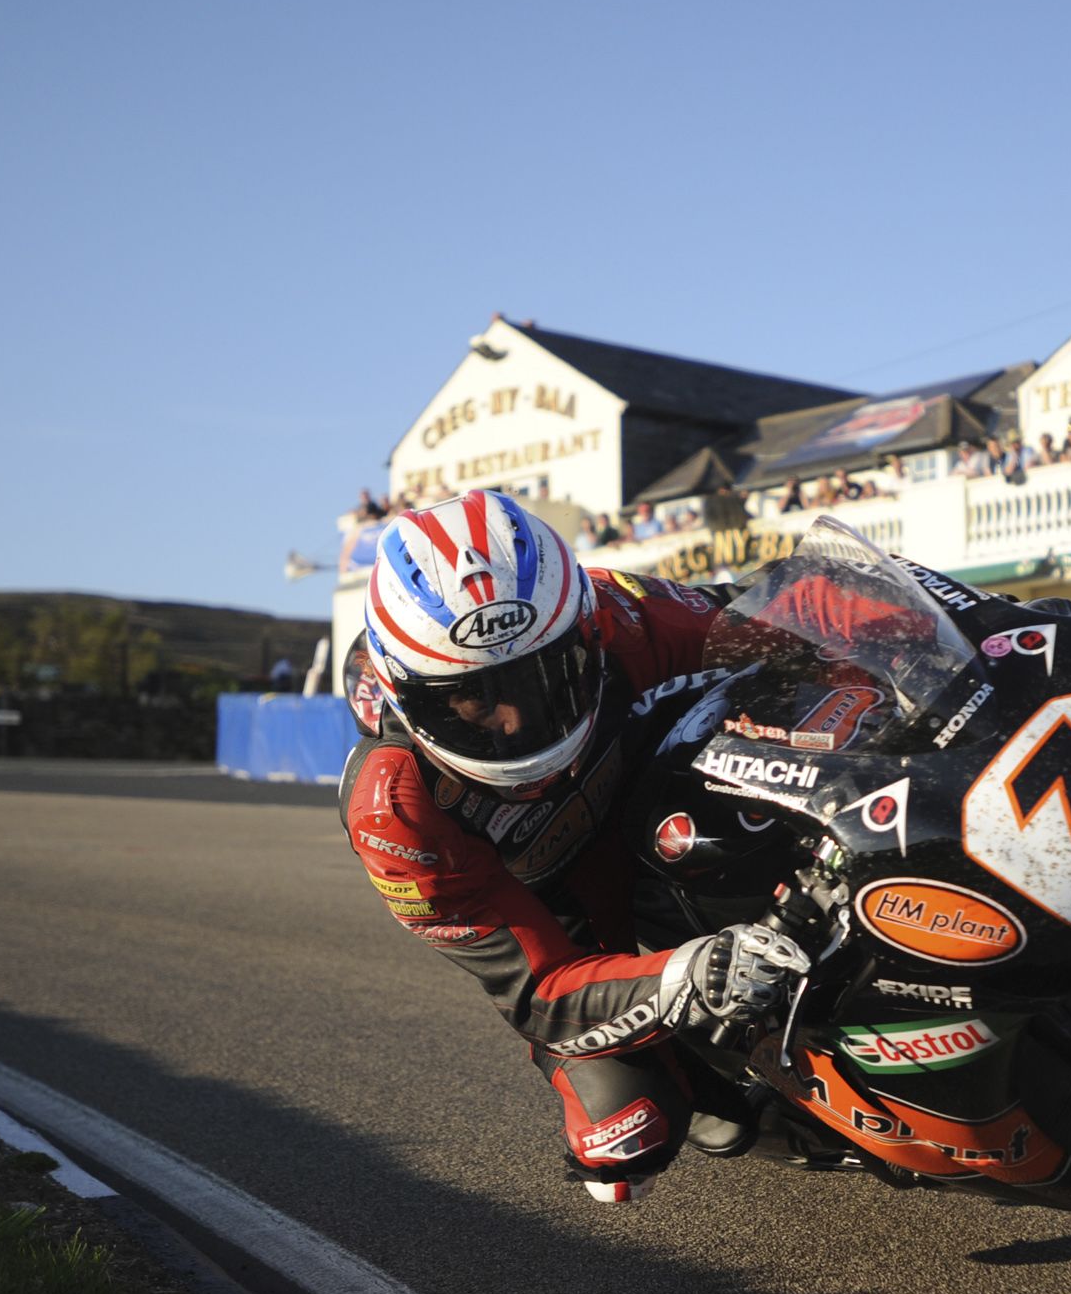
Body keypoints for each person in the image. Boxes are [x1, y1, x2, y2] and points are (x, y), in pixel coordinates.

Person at [341, 491, 809, 1202]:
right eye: (474, 699)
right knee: (626, 1139)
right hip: (575, 926)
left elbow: (780, 626)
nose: (517, 719)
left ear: (582, 630)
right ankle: (762, 1113)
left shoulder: (619, 609)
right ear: (410, 695)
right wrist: (682, 979)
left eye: (542, 674)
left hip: (680, 811)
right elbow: (536, 992)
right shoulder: (394, 808)